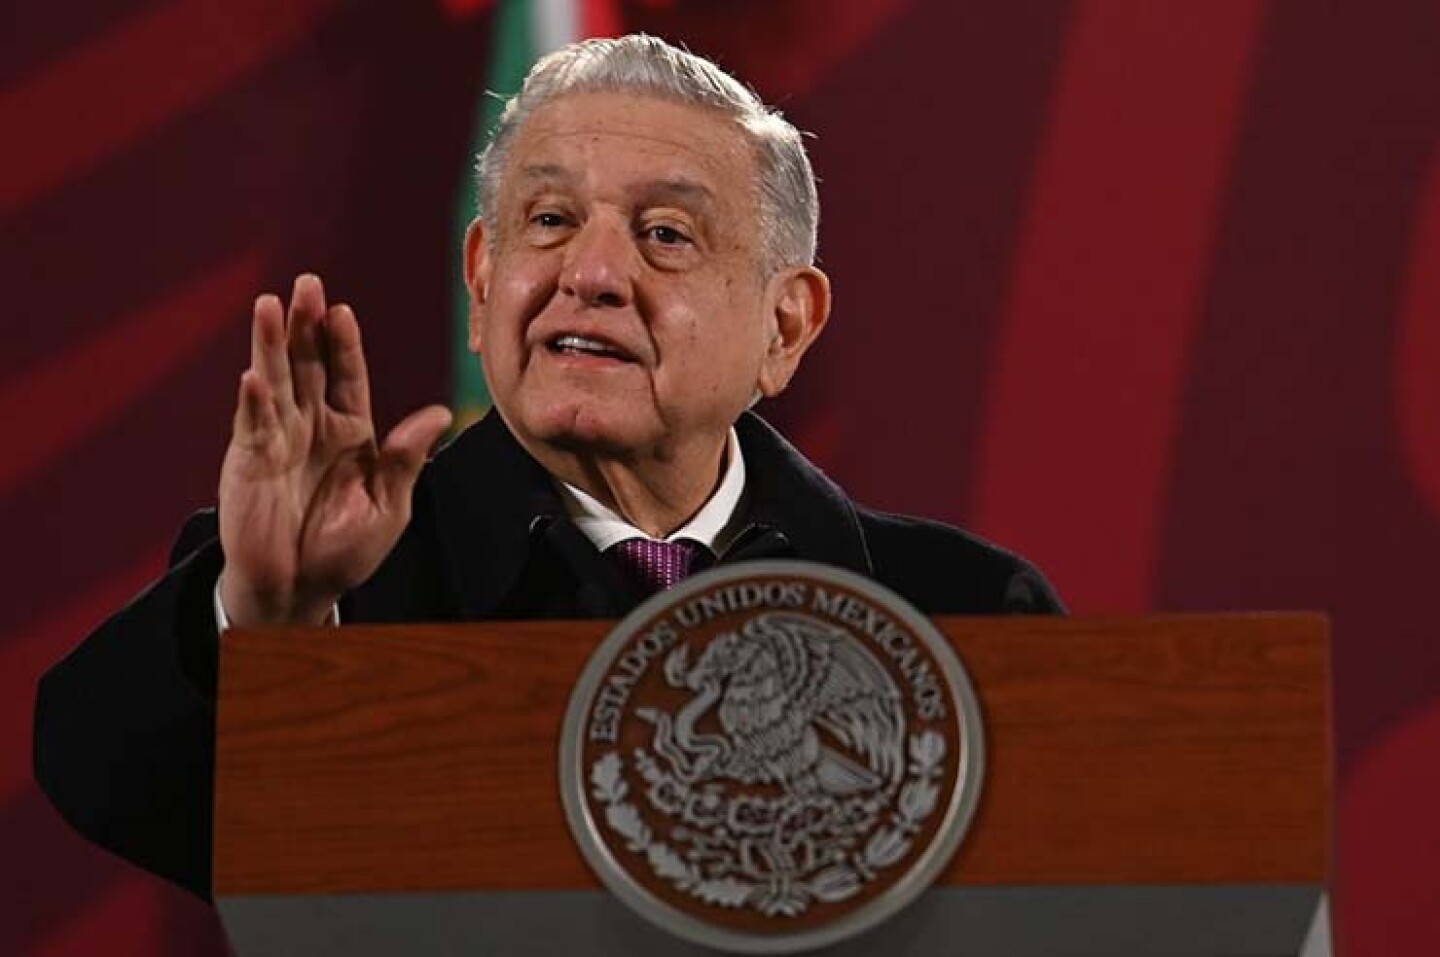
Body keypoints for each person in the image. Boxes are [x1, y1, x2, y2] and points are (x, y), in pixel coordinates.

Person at [33, 34, 1061, 902]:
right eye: (551, 221)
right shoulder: (326, 586)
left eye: (666, 234)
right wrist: (272, 623)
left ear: (785, 327)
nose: (594, 274)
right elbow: (106, 779)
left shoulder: (961, 616)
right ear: (483, 282)